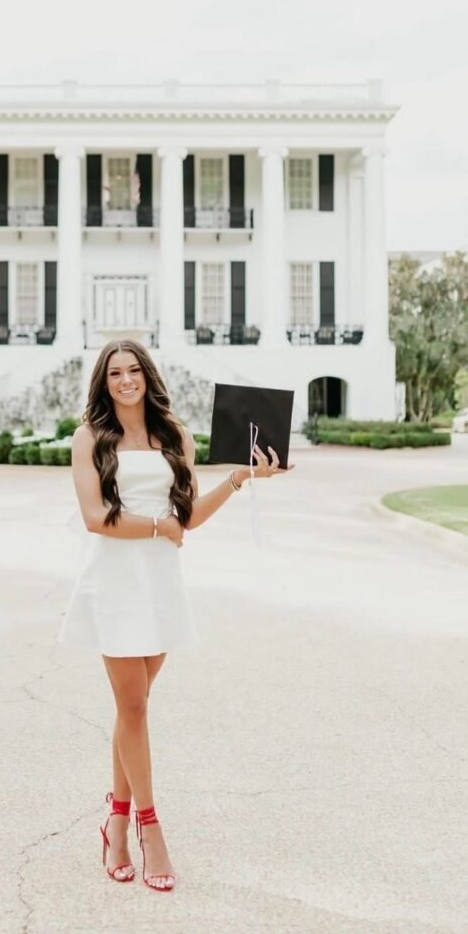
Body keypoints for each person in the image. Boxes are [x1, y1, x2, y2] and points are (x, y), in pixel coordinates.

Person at [56, 339, 294, 891]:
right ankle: (150, 827)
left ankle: (115, 823)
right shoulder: (89, 437)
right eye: (114, 373)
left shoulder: (175, 436)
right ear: (103, 382)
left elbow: (187, 517)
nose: (125, 380)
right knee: (134, 706)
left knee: (132, 709)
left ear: (147, 375)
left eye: (133, 370)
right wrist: (157, 527)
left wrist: (240, 478)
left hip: (159, 582)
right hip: (113, 580)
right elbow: (94, 516)